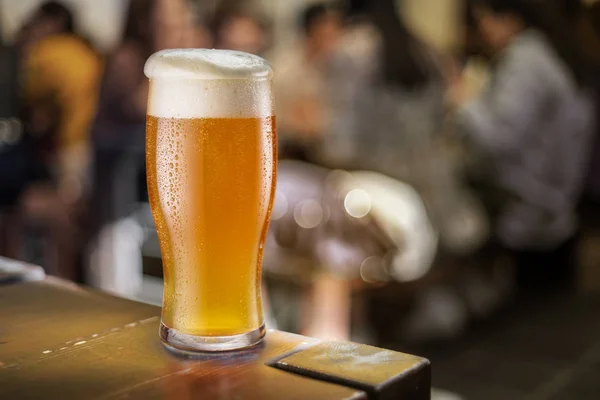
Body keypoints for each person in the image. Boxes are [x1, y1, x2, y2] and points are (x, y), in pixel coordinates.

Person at [457, 0, 596, 292]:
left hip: (528, 214)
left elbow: (498, 137)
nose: (481, 31)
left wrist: (461, 99)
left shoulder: (525, 60)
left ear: (508, 18)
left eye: (484, 21)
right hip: (558, 211)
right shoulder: (554, 50)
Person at [88, 0, 201, 295]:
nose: (178, 26)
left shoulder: (172, 59)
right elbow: (146, 109)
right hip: (118, 190)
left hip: (156, 186)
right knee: (117, 273)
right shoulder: (128, 60)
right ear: (146, 20)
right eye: (167, 21)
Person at [274, 3, 342, 161]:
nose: (334, 39)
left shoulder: (329, 65)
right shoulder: (286, 68)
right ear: (311, 32)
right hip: (288, 154)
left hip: (318, 151)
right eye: (327, 34)